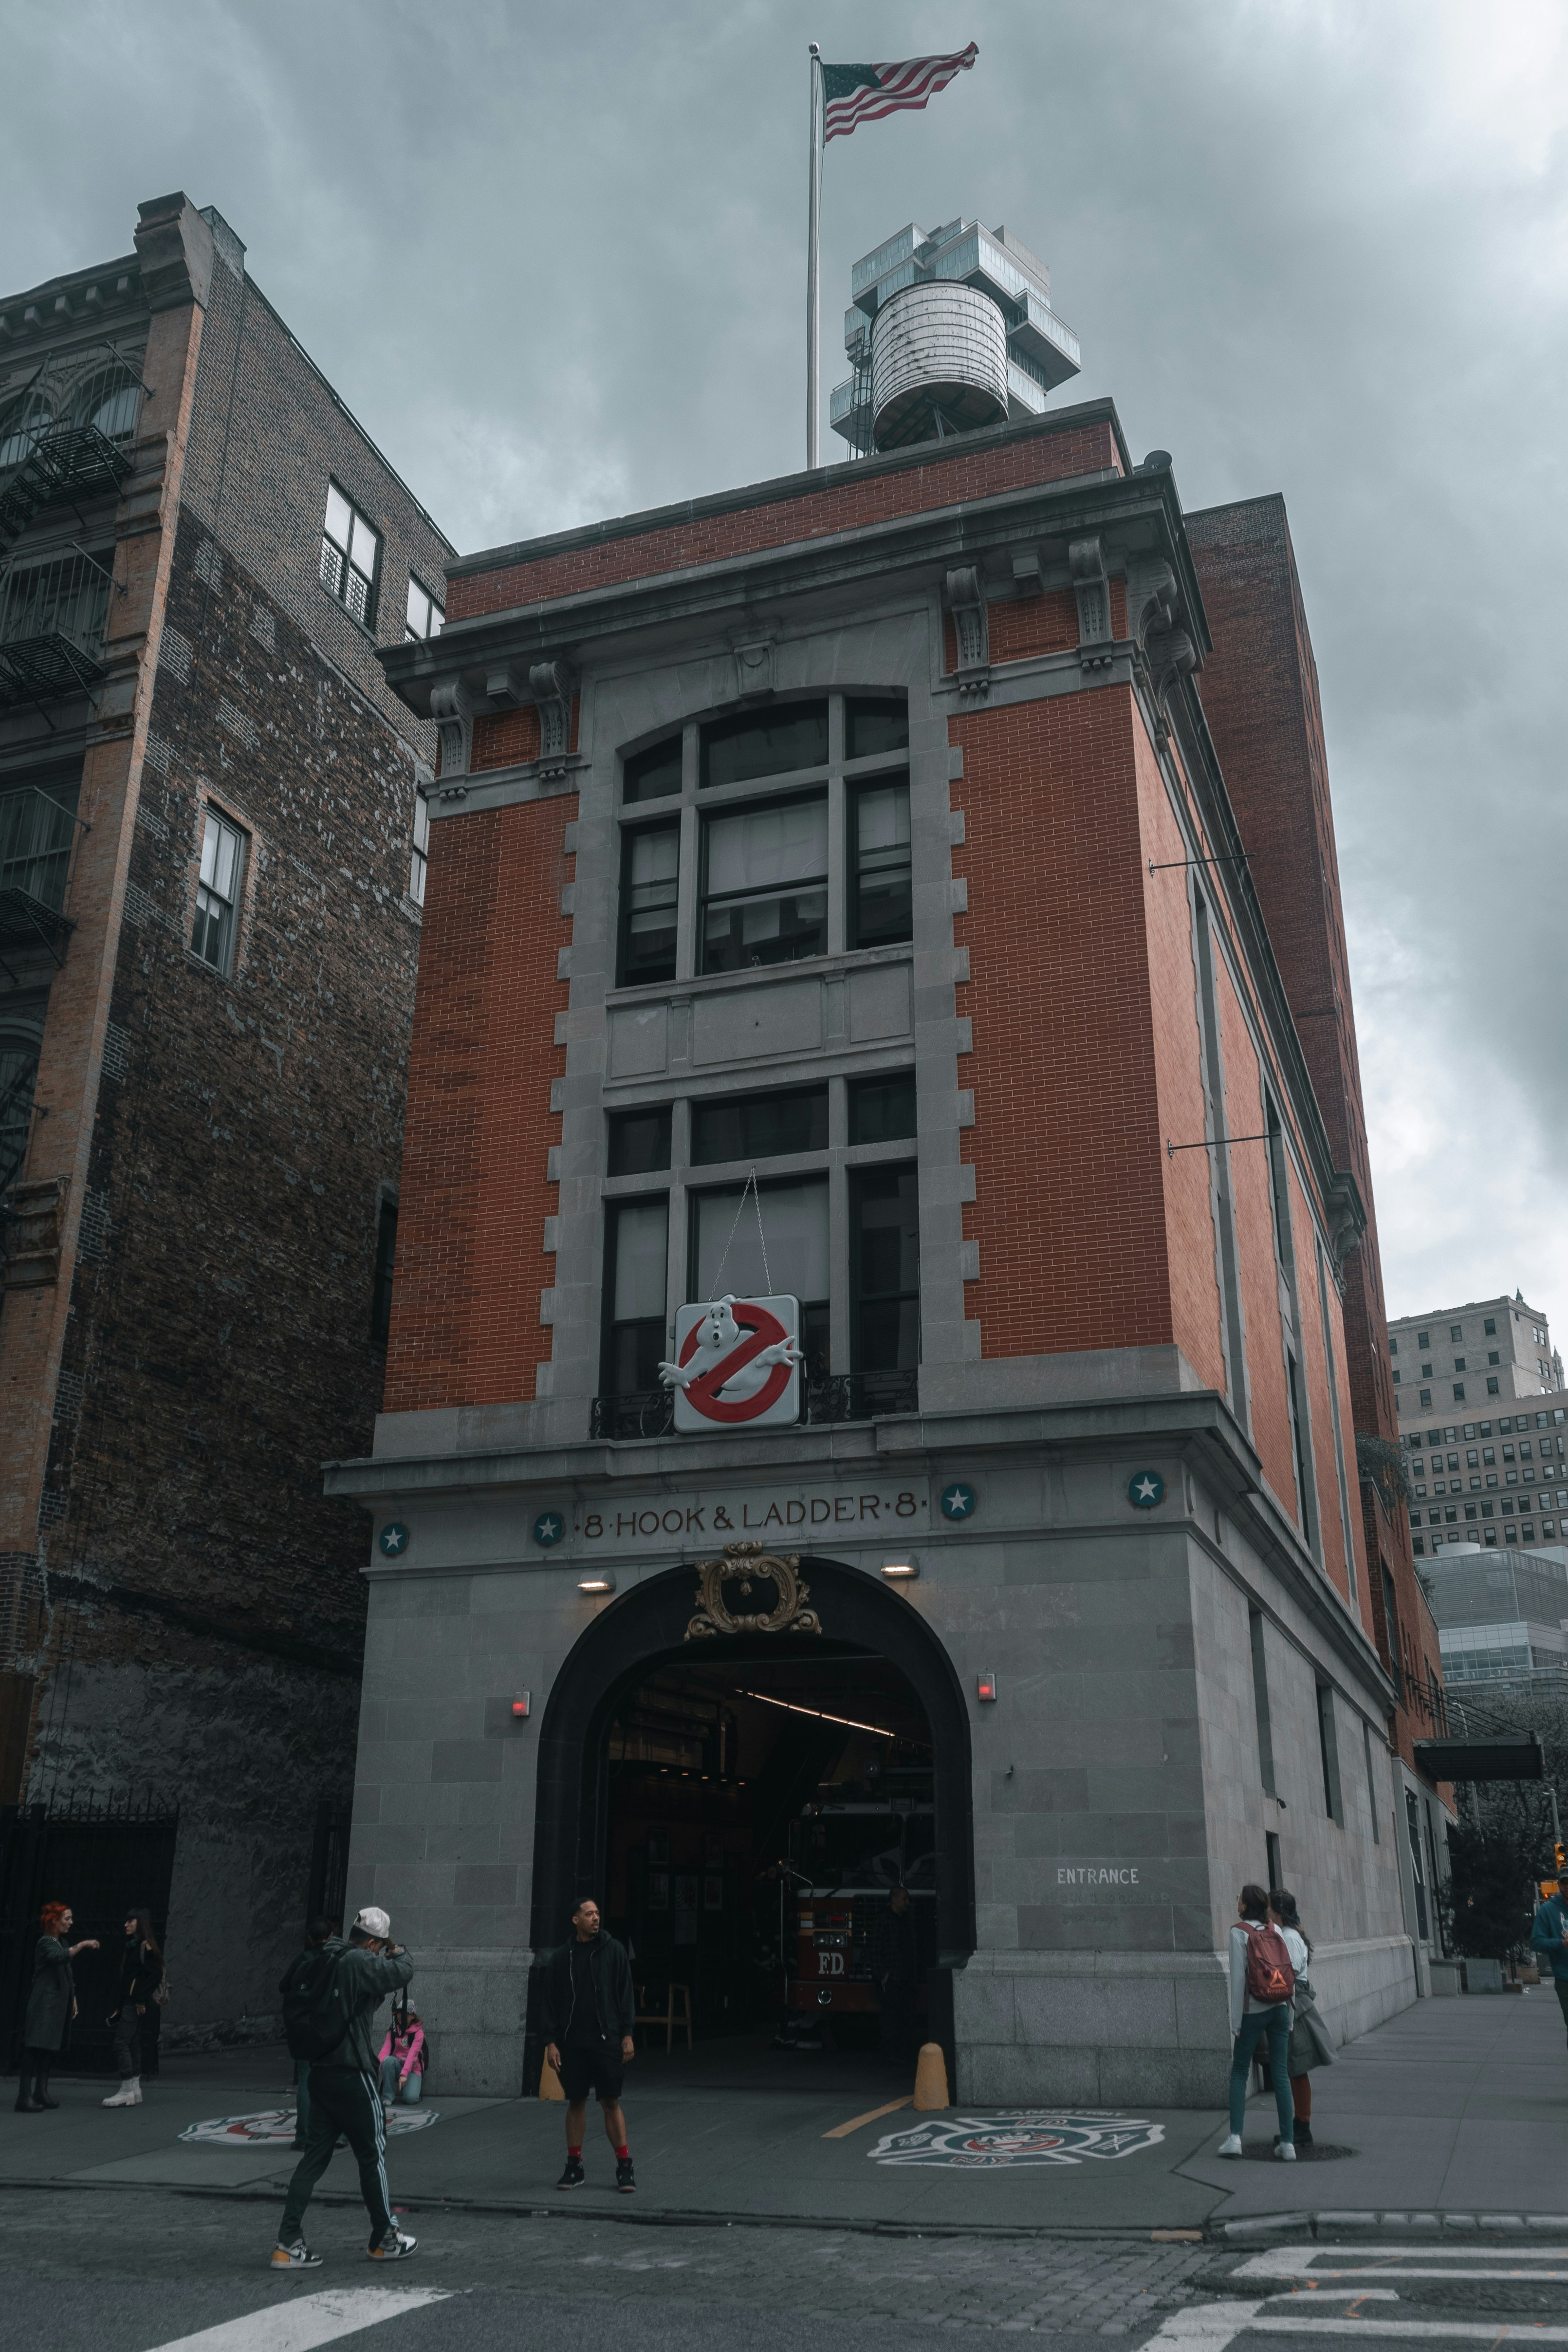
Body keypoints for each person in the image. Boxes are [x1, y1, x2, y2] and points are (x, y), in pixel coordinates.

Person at [272, 1905, 419, 2270]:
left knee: (314, 2157)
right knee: (372, 2154)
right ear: (373, 1941)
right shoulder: (357, 1961)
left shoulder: (323, 1956)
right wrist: (396, 1948)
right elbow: (403, 1971)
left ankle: (287, 2242)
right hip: (351, 2073)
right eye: (379, 1943)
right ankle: (384, 2238)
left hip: (319, 2071)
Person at [539, 1895, 636, 2193]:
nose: (596, 1918)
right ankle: (574, 2166)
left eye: (597, 1913)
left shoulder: (614, 1951)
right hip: (572, 2043)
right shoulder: (560, 1957)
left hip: (606, 2040)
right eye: (589, 1914)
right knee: (576, 2101)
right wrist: (551, 2042)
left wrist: (628, 2034)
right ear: (576, 1920)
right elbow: (549, 2002)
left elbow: (625, 1994)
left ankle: (624, 2167)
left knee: (610, 2101)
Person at [1217, 1882, 1295, 2160]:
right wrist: (1290, 2014)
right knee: (1281, 2075)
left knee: (1240, 2072)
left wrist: (1235, 2022)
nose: (1236, 1900)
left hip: (1254, 2011)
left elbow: (1239, 1979)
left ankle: (1235, 2138)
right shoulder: (1274, 1930)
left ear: (1245, 1904)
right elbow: (1285, 1970)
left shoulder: (1239, 1933)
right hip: (1280, 2008)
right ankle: (1288, 2144)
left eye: (1240, 1897)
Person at [14, 1903, 99, 2114]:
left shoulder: (61, 1942)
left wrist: (73, 1998)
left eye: (71, 1918)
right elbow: (59, 1957)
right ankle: (24, 2097)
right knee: (34, 2046)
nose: (71, 1923)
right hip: (44, 2002)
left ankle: (40, 2092)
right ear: (54, 1921)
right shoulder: (45, 1943)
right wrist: (83, 1945)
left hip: (57, 2003)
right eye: (67, 1919)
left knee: (49, 2048)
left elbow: (66, 1973)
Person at [1270, 1886, 1334, 2147]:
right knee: (1295, 2068)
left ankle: (1303, 2126)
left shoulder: (1289, 1937)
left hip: (1296, 2003)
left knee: (1296, 2067)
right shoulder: (1290, 1935)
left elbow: (1292, 1971)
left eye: (1270, 1910)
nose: (1268, 1914)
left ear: (1279, 1912)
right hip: (1296, 2001)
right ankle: (1300, 2124)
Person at [279, 1916, 338, 2152]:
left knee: (305, 2080)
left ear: (309, 1937)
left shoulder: (302, 1960)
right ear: (331, 1937)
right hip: (325, 2027)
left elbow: (283, 1986)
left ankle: (303, 2137)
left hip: (301, 2027)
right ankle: (333, 2134)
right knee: (332, 2081)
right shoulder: (334, 1960)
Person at [102, 1908, 164, 2110]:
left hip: (134, 2003)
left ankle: (126, 2090)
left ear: (141, 1923)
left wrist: (138, 1997)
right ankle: (135, 2089)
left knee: (120, 2043)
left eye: (131, 1921)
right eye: (126, 1921)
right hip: (129, 2003)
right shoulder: (133, 1946)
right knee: (133, 2042)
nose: (126, 1925)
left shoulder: (145, 1948)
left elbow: (155, 1975)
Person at [877, 1884, 919, 2064]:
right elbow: (876, 1948)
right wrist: (882, 1974)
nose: (907, 1903)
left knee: (907, 2016)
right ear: (894, 1899)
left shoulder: (908, 1918)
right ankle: (889, 2054)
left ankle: (902, 2052)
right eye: (905, 1899)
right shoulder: (883, 1920)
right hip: (893, 1977)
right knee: (891, 2017)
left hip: (907, 1976)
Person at [1531, 1883, 1568, 2045]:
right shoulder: (1548, 1910)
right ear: (1559, 1885)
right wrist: (1562, 1944)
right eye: (1565, 1883)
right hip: (1565, 1978)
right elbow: (1537, 1942)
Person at [377, 2009, 425, 2110]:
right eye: (399, 2013)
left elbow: (413, 2055)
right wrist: (375, 2070)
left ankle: (408, 2086)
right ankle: (388, 2096)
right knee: (388, 2061)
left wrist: (404, 2074)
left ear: (413, 2016)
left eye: (406, 2014)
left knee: (410, 2099)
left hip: (413, 2070)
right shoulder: (394, 2030)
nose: (402, 2016)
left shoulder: (418, 2033)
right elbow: (385, 2051)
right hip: (398, 2066)